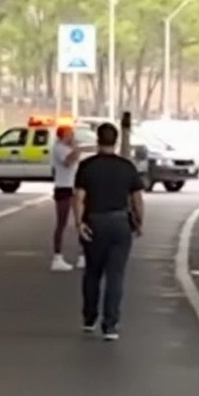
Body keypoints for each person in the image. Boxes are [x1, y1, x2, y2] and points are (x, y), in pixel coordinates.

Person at [73, 123, 145, 341]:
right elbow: (137, 199)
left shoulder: (87, 166)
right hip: (120, 223)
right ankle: (110, 325)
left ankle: (89, 318)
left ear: (97, 140)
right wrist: (140, 223)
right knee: (116, 275)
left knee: (92, 272)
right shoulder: (127, 167)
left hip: (95, 222)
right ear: (115, 141)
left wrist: (79, 224)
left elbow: (78, 198)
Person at [50, 125, 82, 271]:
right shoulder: (58, 148)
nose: (72, 136)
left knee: (80, 220)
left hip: (73, 187)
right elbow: (68, 163)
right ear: (63, 136)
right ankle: (57, 256)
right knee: (62, 223)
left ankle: (82, 255)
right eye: (70, 134)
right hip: (63, 187)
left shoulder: (68, 148)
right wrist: (76, 150)